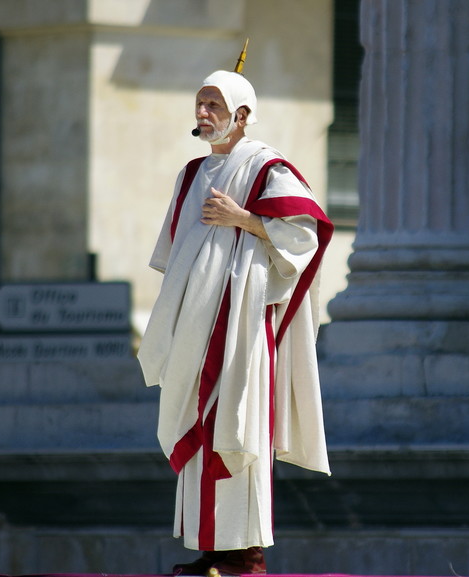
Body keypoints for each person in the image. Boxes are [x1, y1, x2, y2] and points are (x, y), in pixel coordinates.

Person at [137, 53, 333, 576]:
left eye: (214, 104)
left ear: (243, 115)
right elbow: (175, 254)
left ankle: (245, 557)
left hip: (242, 328)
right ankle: (212, 552)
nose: (203, 112)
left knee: (237, 427)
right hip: (196, 327)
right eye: (200, 103)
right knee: (197, 429)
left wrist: (244, 218)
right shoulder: (192, 173)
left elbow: (303, 238)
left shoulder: (270, 167)